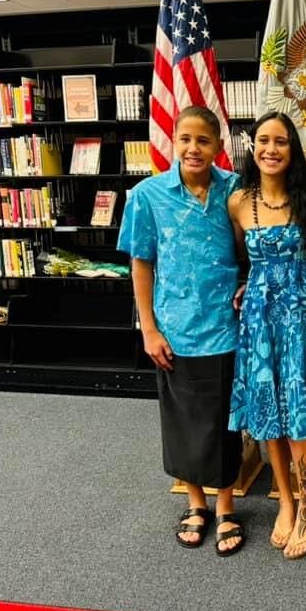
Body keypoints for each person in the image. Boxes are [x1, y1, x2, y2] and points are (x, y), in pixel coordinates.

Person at [118, 106, 245, 556]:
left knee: (224, 421)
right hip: (175, 328)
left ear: (218, 147)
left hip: (226, 325)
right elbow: (141, 263)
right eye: (185, 139)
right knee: (185, 421)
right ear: (173, 139)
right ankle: (196, 502)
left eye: (204, 141)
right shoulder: (148, 195)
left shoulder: (235, 190)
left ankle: (227, 504)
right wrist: (148, 329)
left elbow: (258, 239)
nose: (193, 148)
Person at [228, 112, 306, 560]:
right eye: (263, 141)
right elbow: (240, 259)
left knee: (301, 415)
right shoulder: (238, 202)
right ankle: (286, 501)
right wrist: (244, 286)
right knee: (267, 409)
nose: (271, 149)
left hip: (303, 319)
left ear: (293, 150)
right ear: (253, 147)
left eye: (281, 142)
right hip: (259, 318)